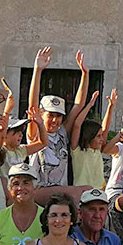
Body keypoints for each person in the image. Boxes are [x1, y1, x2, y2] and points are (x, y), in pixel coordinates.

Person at [27, 47, 91, 201]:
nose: (55, 120)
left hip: (60, 191)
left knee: (89, 191)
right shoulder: (36, 131)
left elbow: (78, 104)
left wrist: (85, 74)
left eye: (59, 116)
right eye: (51, 115)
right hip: (38, 190)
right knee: (76, 193)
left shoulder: (62, 132)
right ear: (41, 114)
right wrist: (37, 70)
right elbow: (32, 104)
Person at [71, 89, 116, 190]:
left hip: (99, 190)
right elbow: (77, 125)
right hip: (82, 191)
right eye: (98, 136)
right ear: (89, 136)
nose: (102, 139)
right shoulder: (77, 150)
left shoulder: (97, 150)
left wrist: (111, 107)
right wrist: (90, 105)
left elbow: (105, 128)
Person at [0, 105, 47, 180]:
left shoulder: (20, 150)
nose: (21, 135)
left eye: (21, 131)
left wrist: (41, 124)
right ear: (4, 134)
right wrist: (7, 110)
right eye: (16, 131)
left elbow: (43, 143)